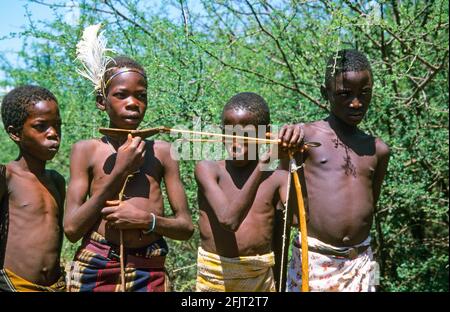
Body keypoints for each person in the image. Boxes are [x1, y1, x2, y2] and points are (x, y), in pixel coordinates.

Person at [64, 55, 194, 292]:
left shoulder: (163, 152)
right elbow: (72, 229)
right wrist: (120, 171)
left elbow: (186, 227)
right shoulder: (85, 151)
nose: (133, 103)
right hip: (96, 266)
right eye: (121, 95)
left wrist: (147, 221)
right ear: (101, 101)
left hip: (149, 268)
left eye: (141, 96)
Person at [278, 49, 390, 292]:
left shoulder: (378, 150)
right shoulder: (304, 137)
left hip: (361, 262)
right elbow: (279, 199)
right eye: (344, 94)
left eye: (365, 93)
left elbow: (369, 207)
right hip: (315, 261)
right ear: (325, 92)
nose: (356, 103)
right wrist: (282, 147)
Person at [195, 92, 290, 292]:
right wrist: (263, 164)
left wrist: (288, 157)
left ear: (265, 135)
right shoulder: (208, 169)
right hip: (214, 280)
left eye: (246, 136)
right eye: (230, 134)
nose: (236, 144)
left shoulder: (278, 178)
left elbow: (300, 220)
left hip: (260, 281)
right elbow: (229, 220)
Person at [0, 85, 66, 291]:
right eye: (41, 126)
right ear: (15, 133)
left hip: (57, 285)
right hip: (14, 285)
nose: (53, 133)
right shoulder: (7, 177)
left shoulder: (56, 181)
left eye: (57, 125)